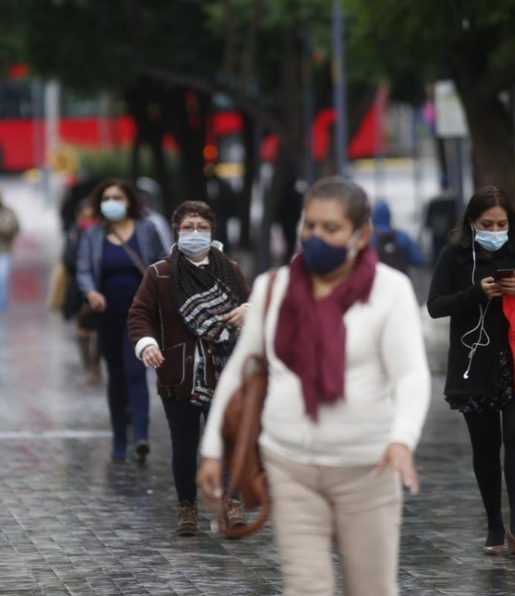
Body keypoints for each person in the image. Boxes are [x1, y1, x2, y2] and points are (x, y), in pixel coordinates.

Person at [197, 176, 430, 596]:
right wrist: (213, 448)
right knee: (307, 587)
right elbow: (238, 372)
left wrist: (403, 439)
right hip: (289, 465)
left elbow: (411, 374)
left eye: (331, 228)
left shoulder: (390, 291)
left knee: (371, 588)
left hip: (366, 468)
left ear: (361, 235)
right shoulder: (274, 289)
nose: (316, 236)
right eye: (310, 226)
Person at [426, 185, 515, 556]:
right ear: (472, 222)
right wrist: (476, 294)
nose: (495, 231)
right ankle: (495, 526)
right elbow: (435, 305)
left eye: (502, 224)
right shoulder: (455, 256)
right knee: (485, 447)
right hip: (474, 365)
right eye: (487, 224)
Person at [127, 200, 251, 536]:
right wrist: (147, 345)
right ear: (177, 231)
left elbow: (252, 306)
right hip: (179, 376)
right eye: (187, 227)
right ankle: (186, 507)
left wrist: (249, 311)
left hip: (224, 374)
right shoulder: (160, 273)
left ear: (212, 232)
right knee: (184, 446)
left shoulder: (230, 270)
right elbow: (139, 317)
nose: (195, 233)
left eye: (201, 227)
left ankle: (232, 502)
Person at [76, 179, 167, 463]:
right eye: (107, 198)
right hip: (107, 315)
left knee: (135, 372)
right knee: (116, 375)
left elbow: (161, 263)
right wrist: (90, 292)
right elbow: (83, 267)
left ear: (129, 200)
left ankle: (140, 435)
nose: (112, 202)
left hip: (140, 315)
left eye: (118, 197)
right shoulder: (93, 234)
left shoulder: (146, 229)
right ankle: (118, 439)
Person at [62, 200, 101, 384]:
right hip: (78, 290)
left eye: (91, 217)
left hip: (100, 287)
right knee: (83, 331)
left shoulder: (102, 234)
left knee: (100, 331)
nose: (88, 221)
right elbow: (68, 259)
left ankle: (96, 363)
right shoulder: (73, 234)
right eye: (85, 217)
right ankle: (89, 366)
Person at [371, 199, 425, 276]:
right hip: (401, 285)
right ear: (389, 216)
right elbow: (418, 260)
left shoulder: (368, 240)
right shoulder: (403, 237)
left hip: (377, 285)